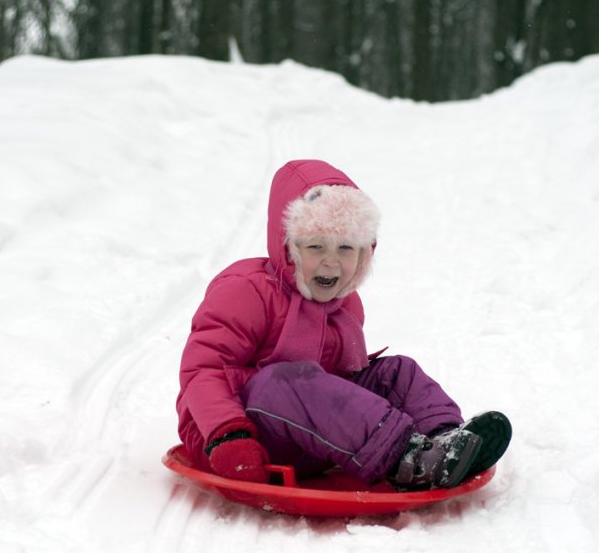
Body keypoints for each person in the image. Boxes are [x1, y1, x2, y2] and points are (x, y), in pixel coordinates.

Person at [175, 159, 511, 490]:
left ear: (365, 254)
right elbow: (204, 369)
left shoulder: (346, 306)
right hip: (239, 437)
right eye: (316, 246)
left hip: (318, 440)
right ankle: (407, 460)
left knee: (396, 371)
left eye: (346, 248)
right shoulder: (247, 289)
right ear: (288, 247)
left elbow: (338, 387)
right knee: (281, 380)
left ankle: (447, 443)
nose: (331, 260)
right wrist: (228, 435)